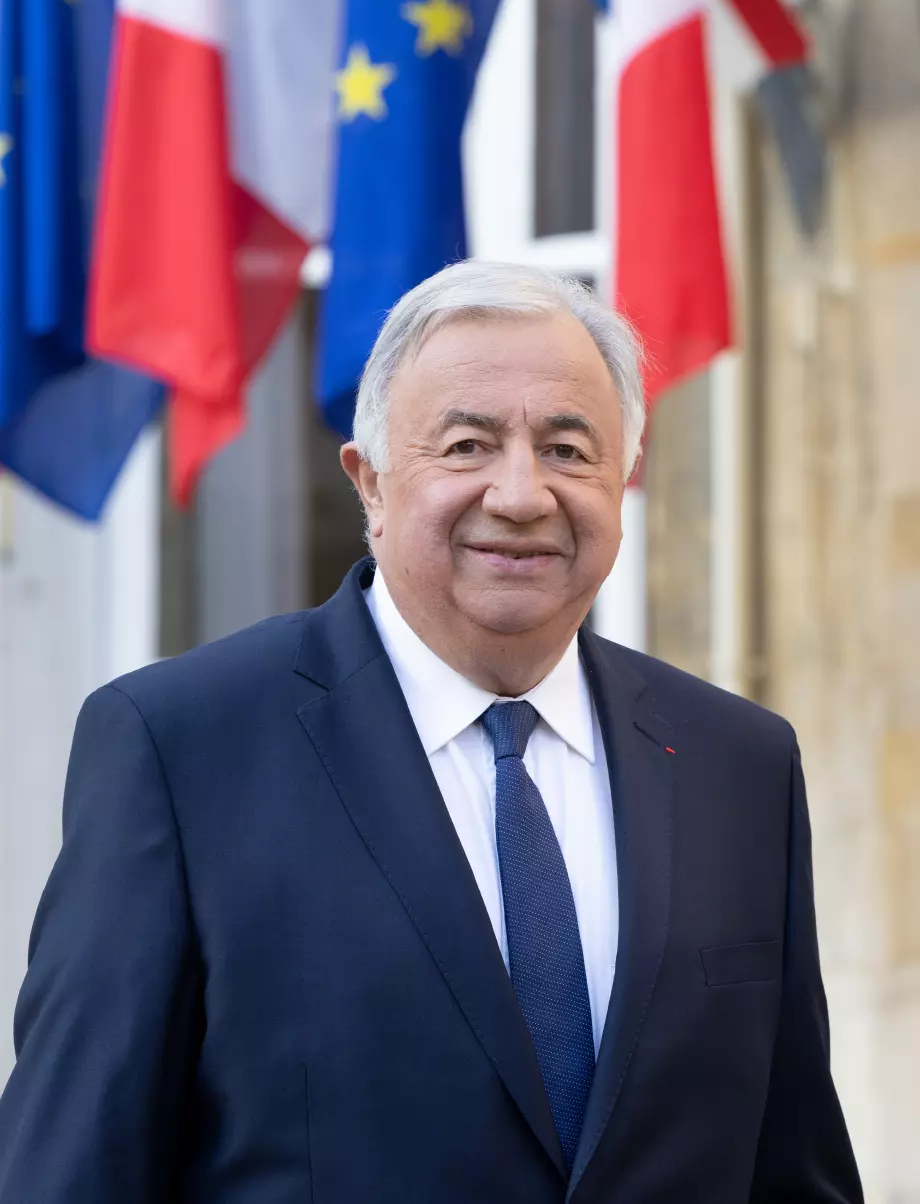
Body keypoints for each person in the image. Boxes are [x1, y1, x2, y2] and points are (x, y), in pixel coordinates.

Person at [0, 261, 862, 1203]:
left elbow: (794, 1167)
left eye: (568, 449)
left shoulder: (739, 766)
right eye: (466, 445)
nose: (522, 494)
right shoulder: (180, 750)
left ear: (623, 481)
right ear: (369, 483)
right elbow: (70, 1170)